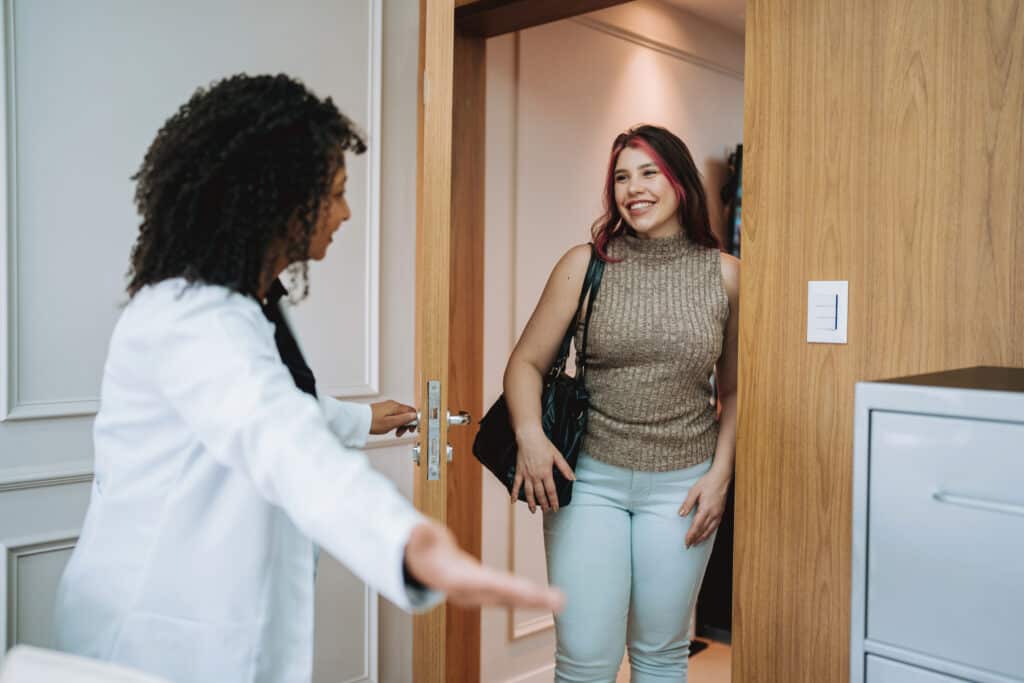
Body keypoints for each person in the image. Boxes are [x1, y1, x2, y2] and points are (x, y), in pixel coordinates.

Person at [53, 74, 562, 683]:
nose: (346, 213)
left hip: (200, 624)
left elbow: (273, 405)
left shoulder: (249, 301)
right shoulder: (189, 320)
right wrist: (411, 542)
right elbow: (275, 433)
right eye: (337, 193)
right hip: (153, 637)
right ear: (277, 200)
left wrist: (360, 417)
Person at [503, 124, 739, 682]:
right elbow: (525, 365)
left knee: (661, 655)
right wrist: (531, 438)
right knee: (585, 659)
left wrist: (720, 477)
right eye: (621, 177)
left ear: (680, 180)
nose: (633, 188)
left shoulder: (726, 277)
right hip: (589, 484)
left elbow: (733, 391)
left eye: (648, 172)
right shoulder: (585, 264)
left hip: (684, 487)